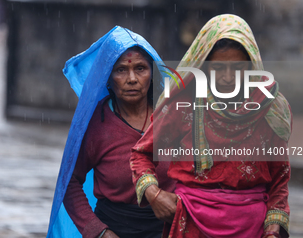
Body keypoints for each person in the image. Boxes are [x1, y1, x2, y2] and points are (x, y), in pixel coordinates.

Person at [130, 14, 292, 238]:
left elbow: (280, 177)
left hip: (252, 228)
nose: (227, 77)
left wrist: (274, 227)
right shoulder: (183, 104)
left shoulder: (269, 108)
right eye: (217, 68)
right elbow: (141, 154)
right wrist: (154, 194)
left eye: (238, 68)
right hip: (191, 224)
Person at [46, 26, 176, 238]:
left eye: (141, 69)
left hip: (168, 229)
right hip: (114, 229)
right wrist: (99, 232)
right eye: (121, 70)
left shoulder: (172, 117)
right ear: (107, 78)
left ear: (153, 74)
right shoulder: (96, 123)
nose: (132, 79)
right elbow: (69, 182)